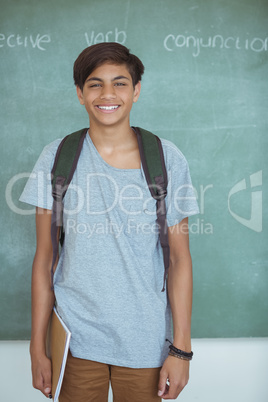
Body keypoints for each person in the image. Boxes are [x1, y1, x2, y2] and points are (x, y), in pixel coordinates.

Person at [20, 42, 199, 401]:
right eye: (95, 84)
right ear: (80, 94)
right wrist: (37, 346)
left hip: (144, 341)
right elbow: (44, 258)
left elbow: (179, 259)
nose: (107, 94)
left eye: (119, 83)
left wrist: (181, 350)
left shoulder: (167, 159)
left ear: (136, 91)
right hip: (75, 340)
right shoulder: (57, 157)